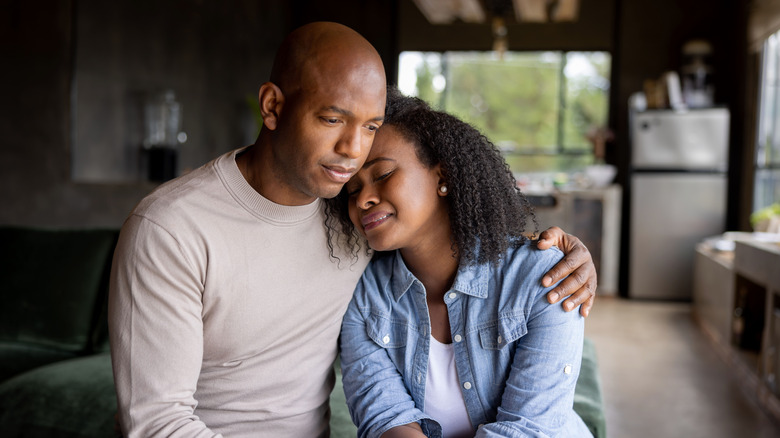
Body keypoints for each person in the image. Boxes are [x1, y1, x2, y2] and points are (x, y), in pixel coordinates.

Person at [108, 22, 597, 437]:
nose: (352, 152)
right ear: (273, 107)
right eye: (332, 118)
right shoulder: (171, 229)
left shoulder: (348, 219)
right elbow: (158, 423)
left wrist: (572, 258)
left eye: (369, 127)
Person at [326, 87, 593, 437]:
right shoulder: (366, 295)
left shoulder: (542, 278)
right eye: (352, 189)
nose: (363, 200)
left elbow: (527, 430)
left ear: (444, 177)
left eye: (383, 174)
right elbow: (386, 420)